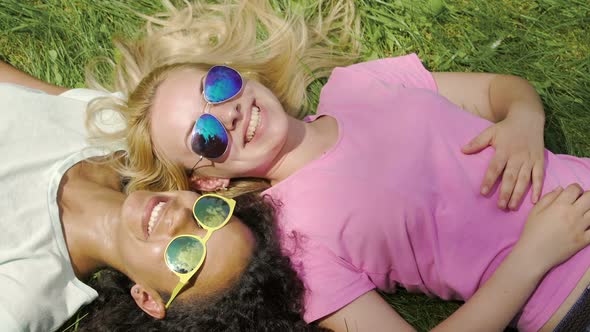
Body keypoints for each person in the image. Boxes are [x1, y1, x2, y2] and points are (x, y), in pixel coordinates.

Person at [85, 1, 590, 331]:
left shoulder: (358, 85)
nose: (229, 113)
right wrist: (533, 256)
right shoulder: (295, 243)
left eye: (216, 87)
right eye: (206, 136)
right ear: (210, 179)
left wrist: (523, 119)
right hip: (568, 297)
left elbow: (498, 90)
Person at [0, 61, 321, 332]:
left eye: (185, 256)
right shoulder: (115, 129)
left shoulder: (28, 289)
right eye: (208, 214)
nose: (180, 218)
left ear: (148, 298)